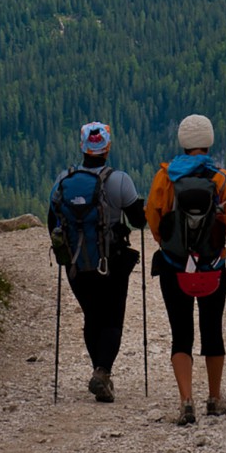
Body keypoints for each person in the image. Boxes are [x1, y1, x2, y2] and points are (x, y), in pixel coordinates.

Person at [145, 113, 226, 425]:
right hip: (212, 268)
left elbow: (153, 217)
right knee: (212, 330)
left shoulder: (165, 178)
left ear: (183, 142)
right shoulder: (223, 180)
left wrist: (169, 244)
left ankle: (186, 400)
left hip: (174, 267)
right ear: (209, 141)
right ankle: (215, 398)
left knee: (181, 334)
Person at [48, 120, 146, 402]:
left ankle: (98, 370)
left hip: (76, 263)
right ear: (107, 147)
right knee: (112, 317)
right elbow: (139, 221)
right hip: (111, 262)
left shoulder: (63, 180)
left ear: (82, 147)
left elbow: (52, 221)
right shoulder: (120, 180)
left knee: (92, 316)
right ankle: (102, 372)